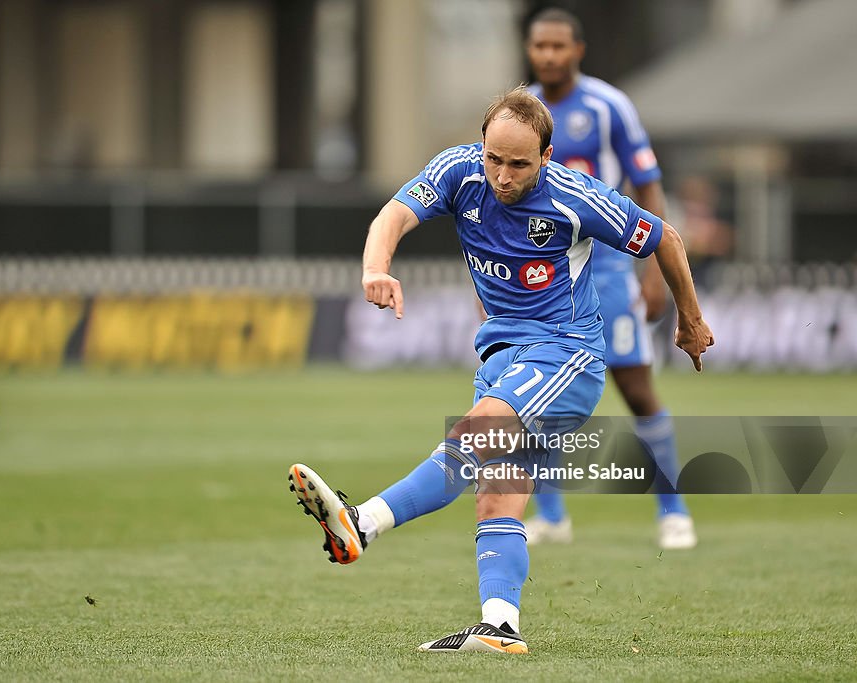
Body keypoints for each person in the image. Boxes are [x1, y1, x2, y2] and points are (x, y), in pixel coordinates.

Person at [288, 86, 713, 654]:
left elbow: (666, 236)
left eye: (518, 163)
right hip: (499, 357)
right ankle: (500, 626)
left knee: (474, 434)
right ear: (481, 143)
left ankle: (361, 524)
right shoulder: (459, 171)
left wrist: (689, 319)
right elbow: (392, 214)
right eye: (494, 158)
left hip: (566, 356)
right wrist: (375, 268)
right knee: (496, 494)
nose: (502, 175)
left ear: (546, 157)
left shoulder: (576, 197)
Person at [522, 8, 696, 549]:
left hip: (608, 268)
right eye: (539, 47)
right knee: (533, 394)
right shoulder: (521, 109)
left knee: (636, 388)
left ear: (578, 50)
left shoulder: (608, 106)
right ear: (531, 51)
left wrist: (652, 271)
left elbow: (647, 184)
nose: (548, 56)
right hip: (545, 273)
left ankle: (674, 511)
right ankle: (551, 515)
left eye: (558, 47)